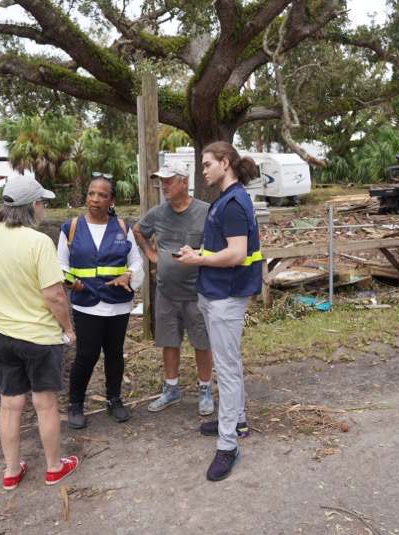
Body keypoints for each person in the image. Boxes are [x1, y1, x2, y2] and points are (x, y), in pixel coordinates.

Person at [0, 174, 79, 491]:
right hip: (39, 338)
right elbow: (55, 295)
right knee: (45, 405)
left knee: (9, 404)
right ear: (33, 205)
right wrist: (68, 329)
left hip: (1, 335)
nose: (43, 208)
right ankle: (55, 467)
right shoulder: (38, 242)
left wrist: (0, 310)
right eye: (42, 202)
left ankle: (11, 471)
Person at [176, 142, 262, 481]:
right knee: (230, 363)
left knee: (226, 369)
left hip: (226, 296)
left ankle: (228, 446)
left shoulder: (234, 203)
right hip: (216, 293)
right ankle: (236, 422)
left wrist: (198, 259)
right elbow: (221, 248)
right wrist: (196, 252)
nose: (204, 170)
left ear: (225, 163)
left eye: (208, 164)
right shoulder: (226, 200)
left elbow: (237, 254)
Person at [58, 175, 143, 429]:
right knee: (86, 355)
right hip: (86, 302)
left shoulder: (122, 228)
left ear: (111, 200)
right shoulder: (70, 227)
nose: (95, 199)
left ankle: (114, 400)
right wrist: (69, 281)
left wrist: (128, 275)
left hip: (118, 303)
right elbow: (60, 262)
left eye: (102, 195)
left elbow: (136, 261)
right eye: (91, 193)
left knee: (115, 353)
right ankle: (75, 404)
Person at [132, 161, 214, 416]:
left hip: (198, 292)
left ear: (184, 182)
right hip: (166, 291)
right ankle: (171, 388)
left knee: (202, 342)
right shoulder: (157, 213)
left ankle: (204, 389)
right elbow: (137, 231)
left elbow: (219, 245)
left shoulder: (206, 211)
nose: (163, 186)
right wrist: (152, 255)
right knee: (169, 341)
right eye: (161, 181)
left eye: (168, 181)